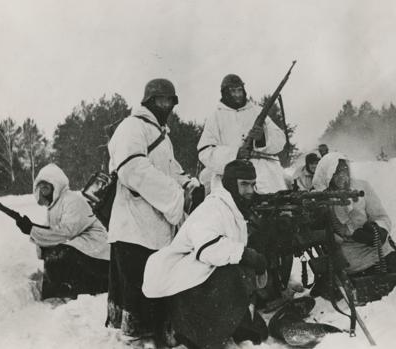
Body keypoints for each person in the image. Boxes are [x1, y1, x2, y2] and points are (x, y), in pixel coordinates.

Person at [105, 78, 198, 348]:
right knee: (137, 290)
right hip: (134, 224)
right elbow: (133, 169)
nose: (166, 105)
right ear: (149, 101)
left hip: (155, 225)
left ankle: (154, 333)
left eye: (170, 101)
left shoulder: (161, 134)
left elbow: (171, 169)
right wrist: (174, 196)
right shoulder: (131, 127)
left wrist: (189, 184)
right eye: (161, 100)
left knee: (155, 284)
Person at [142, 160, 269, 349]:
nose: (250, 190)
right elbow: (207, 249)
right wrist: (248, 255)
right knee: (237, 271)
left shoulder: (232, 205)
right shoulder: (214, 207)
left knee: (240, 268)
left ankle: (234, 326)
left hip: (197, 275)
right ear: (231, 184)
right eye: (244, 184)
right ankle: (193, 334)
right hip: (181, 281)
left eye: (252, 184)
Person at [15, 163, 110, 300]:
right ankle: (55, 294)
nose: (43, 189)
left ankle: (80, 291)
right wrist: (29, 229)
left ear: (56, 185)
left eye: (46, 185)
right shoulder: (54, 207)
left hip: (99, 255)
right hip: (86, 252)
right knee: (53, 254)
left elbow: (65, 232)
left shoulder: (72, 200)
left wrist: (32, 230)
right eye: (40, 186)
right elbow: (50, 235)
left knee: (59, 254)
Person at [312, 152, 396, 275]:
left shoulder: (361, 187)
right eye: (336, 173)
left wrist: (379, 230)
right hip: (347, 250)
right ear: (327, 175)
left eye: (344, 171)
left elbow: (381, 216)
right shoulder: (321, 196)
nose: (342, 177)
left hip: (373, 246)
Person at [197, 74, 287, 194]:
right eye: (233, 91)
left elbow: (280, 140)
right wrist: (235, 154)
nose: (237, 95)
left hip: (266, 174)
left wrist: (262, 139)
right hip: (231, 174)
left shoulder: (257, 111)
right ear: (224, 93)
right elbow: (205, 152)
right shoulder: (216, 117)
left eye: (240, 90)